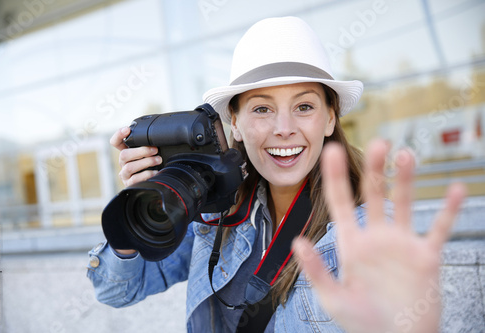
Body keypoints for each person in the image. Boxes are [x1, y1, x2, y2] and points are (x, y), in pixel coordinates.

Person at [87, 17, 465, 333]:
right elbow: (116, 292)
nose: (284, 128)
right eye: (262, 109)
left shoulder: (362, 231)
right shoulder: (218, 211)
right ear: (235, 123)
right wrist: (139, 208)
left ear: (331, 117)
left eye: (303, 106)